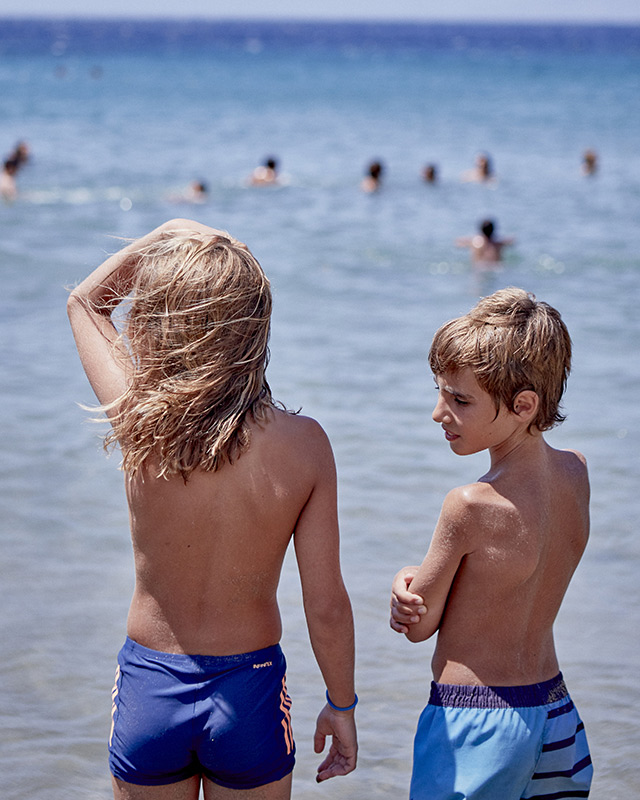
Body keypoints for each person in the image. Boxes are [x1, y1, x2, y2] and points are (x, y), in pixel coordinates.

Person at [67, 219, 357, 800]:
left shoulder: (139, 421)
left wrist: (165, 233)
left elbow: (85, 303)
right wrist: (341, 704)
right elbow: (324, 604)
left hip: (152, 683)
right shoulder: (305, 445)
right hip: (248, 690)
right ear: (255, 328)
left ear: (160, 321)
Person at [390, 288, 593, 800]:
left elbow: (419, 626)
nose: (439, 413)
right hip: (557, 717)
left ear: (524, 406)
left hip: (476, 722)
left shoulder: (470, 505)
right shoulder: (577, 473)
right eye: (440, 392)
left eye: (460, 400)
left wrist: (404, 589)